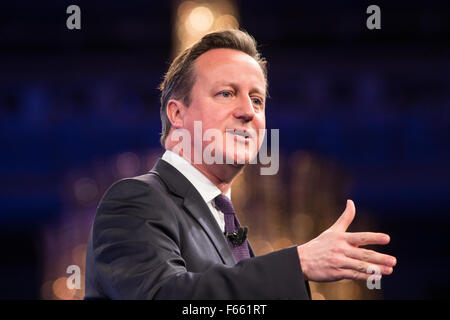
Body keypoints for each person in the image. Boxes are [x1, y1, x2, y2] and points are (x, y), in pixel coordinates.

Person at [84, 29, 397, 299]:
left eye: (257, 100)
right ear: (177, 115)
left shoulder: (229, 228)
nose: (248, 111)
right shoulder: (135, 200)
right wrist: (297, 262)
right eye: (226, 93)